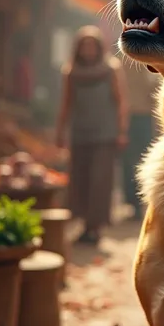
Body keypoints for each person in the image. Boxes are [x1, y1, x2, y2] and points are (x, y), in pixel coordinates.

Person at [55, 26, 127, 244]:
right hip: (80, 134)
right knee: (81, 180)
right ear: (78, 48)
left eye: (91, 45)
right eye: (84, 45)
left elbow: (121, 101)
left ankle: (95, 227)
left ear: (98, 47)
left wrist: (122, 130)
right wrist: (60, 131)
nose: (88, 50)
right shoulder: (71, 72)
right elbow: (66, 103)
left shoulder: (110, 69)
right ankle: (85, 224)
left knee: (100, 181)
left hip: (104, 134)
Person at [122, 62, 159, 221]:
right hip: (128, 116)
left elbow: (156, 87)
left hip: (143, 116)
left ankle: (140, 201)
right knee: (130, 161)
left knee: (140, 160)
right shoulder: (120, 60)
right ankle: (135, 202)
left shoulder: (149, 60)